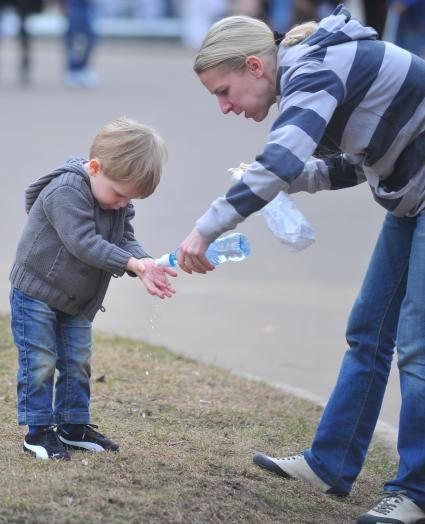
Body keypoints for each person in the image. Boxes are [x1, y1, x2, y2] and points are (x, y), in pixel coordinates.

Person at [178, 5, 425, 523]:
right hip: (411, 197)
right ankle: (330, 465)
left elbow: (283, 159)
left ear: (254, 67)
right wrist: (284, 181)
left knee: (417, 347)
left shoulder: (312, 69)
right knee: (368, 331)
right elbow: (353, 164)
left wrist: (207, 228)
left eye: (222, 92)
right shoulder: (312, 69)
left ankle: (416, 492)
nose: (224, 107)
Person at [10, 116, 177, 461]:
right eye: (119, 194)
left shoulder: (114, 196)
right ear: (96, 167)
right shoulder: (67, 191)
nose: (121, 204)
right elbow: (83, 242)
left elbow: (124, 238)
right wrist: (130, 264)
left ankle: (73, 426)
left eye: (128, 199)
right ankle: (38, 432)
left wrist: (145, 263)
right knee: (40, 360)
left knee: (77, 361)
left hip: (77, 298)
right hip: (37, 293)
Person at [61, 0, 98, 88]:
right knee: (75, 38)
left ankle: (82, 68)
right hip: (74, 6)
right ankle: (73, 70)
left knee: (89, 37)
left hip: (85, 6)